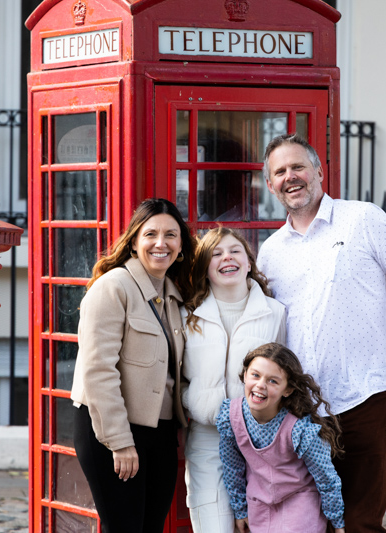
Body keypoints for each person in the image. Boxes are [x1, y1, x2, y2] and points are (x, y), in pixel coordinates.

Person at [256, 134, 386, 533]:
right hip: (301, 409)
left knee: (362, 521)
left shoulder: (363, 219)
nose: (290, 177)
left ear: (319, 171)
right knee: (306, 520)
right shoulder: (271, 251)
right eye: (280, 171)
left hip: (362, 395)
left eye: (298, 166)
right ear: (270, 185)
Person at [71, 198, 195, 533]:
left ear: (181, 244)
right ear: (134, 241)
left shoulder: (172, 294)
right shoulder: (113, 287)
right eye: (150, 234)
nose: (161, 243)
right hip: (113, 429)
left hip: (161, 432)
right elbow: (97, 369)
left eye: (171, 235)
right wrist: (120, 441)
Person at [181, 227, 286, 533]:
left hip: (261, 438)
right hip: (206, 437)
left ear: (249, 262)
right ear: (205, 268)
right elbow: (173, 376)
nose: (226, 257)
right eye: (216, 253)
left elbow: (287, 375)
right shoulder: (188, 314)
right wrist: (196, 402)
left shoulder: (275, 313)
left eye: (235, 251)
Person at [216, 343, 345, 533]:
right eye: (255, 375)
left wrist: (337, 522)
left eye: (273, 381)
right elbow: (232, 468)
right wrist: (240, 510)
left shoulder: (300, 430)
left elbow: (326, 477)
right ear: (245, 375)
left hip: (300, 502)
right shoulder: (231, 417)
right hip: (259, 504)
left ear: (288, 390)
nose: (261, 385)